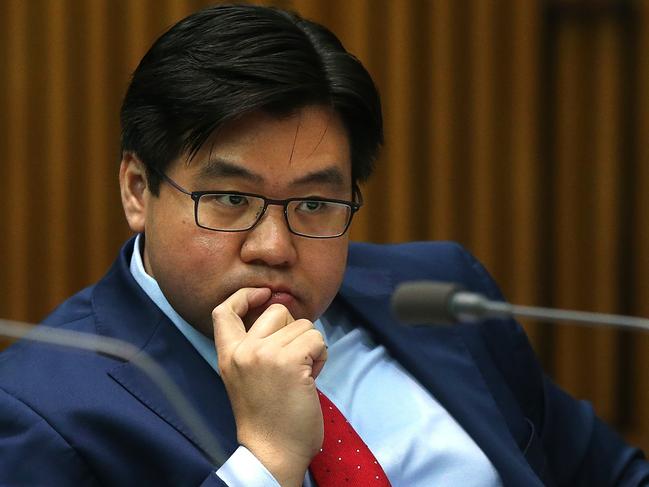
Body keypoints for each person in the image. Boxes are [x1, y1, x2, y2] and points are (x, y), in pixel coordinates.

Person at [0, 4, 647, 486]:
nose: (275, 246)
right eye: (230, 199)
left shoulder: (436, 294)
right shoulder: (41, 409)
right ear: (138, 189)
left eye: (313, 203)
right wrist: (266, 462)